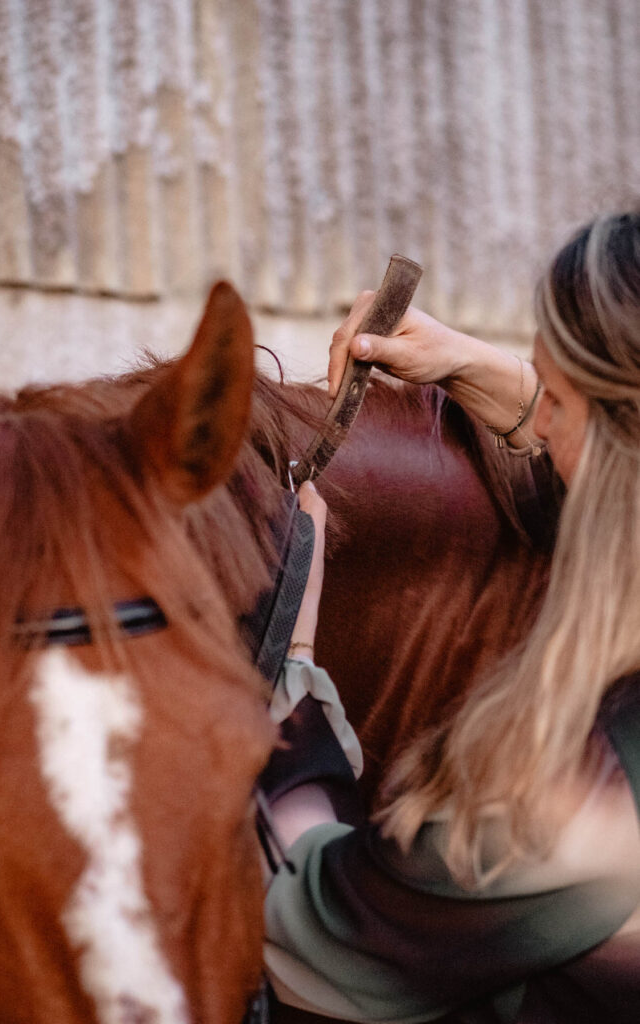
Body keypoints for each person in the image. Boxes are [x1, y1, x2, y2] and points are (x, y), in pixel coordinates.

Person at [262, 210, 640, 1023]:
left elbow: (317, 931)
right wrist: (485, 372)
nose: (535, 422)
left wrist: (292, 663)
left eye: (560, 407)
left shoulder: (582, 802)